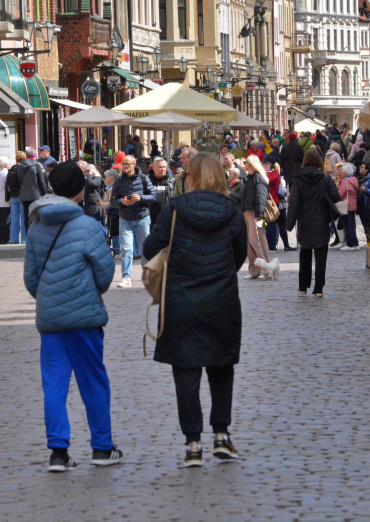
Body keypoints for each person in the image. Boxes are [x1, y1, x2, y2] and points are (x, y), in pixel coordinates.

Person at [142, 152, 247, 467]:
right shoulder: (231, 211)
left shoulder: (174, 210)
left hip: (181, 301)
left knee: (186, 372)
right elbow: (239, 255)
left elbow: (150, 248)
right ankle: (221, 435)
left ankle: (192, 444)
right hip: (222, 301)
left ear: (191, 177)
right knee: (221, 367)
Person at [25, 161, 123, 472]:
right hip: (84, 318)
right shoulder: (88, 226)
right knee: (93, 381)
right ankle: (102, 447)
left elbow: (31, 279)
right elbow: (104, 274)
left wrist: (51, 297)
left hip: (51, 319)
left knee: (54, 384)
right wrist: (85, 291)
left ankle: (58, 452)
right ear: (81, 189)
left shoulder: (37, 227)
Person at [287, 148, 339, 297]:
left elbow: (294, 202)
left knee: (305, 253)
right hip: (321, 219)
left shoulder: (298, 179)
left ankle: (302, 287)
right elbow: (336, 196)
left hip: (304, 220)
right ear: (319, 162)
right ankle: (318, 289)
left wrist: (289, 223)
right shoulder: (325, 179)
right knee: (321, 255)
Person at [110, 156, 155, 289]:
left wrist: (140, 198)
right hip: (125, 218)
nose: (125, 167)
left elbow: (153, 196)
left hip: (142, 217)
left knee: (144, 248)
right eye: (123, 164)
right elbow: (113, 201)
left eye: (127, 164)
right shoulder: (119, 180)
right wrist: (122, 201)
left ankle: (148, 277)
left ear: (134, 164)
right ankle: (126, 277)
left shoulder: (144, 178)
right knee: (127, 249)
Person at [240, 155, 270, 278]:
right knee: (250, 243)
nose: (244, 164)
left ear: (251, 164)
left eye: (246, 162)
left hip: (255, 213)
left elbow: (261, 197)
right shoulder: (249, 178)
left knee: (257, 241)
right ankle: (254, 271)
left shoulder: (258, 177)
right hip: (247, 212)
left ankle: (265, 270)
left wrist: (259, 214)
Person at [14, 148, 48, 223]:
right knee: (37, 217)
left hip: (24, 196)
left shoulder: (20, 166)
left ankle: (28, 230)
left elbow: (20, 181)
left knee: (27, 217)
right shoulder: (36, 166)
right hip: (36, 195)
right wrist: (45, 194)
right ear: (34, 156)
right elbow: (41, 182)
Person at [335, 163, 360, 250]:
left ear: (345, 173)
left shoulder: (345, 181)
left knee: (348, 225)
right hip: (353, 204)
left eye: (342, 171)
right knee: (352, 225)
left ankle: (350, 245)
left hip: (346, 205)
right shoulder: (354, 180)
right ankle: (356, 244)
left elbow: (340, 194)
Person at [7, 151, 29, 243]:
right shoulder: (24, 169)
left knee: (14, 218)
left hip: (13, 196)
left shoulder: (12, 169)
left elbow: (7, 184)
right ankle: (24, 239)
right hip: (22, 195)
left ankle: (13, 239)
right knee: (23, 218)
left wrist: (7, 197)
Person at [146, 157, 175, 224]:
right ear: (153, 168)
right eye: (160, 167)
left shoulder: (172, 181)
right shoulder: (146, 181)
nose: (163, 169)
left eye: (164, 167)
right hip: (150, 218)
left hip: (167, 218)